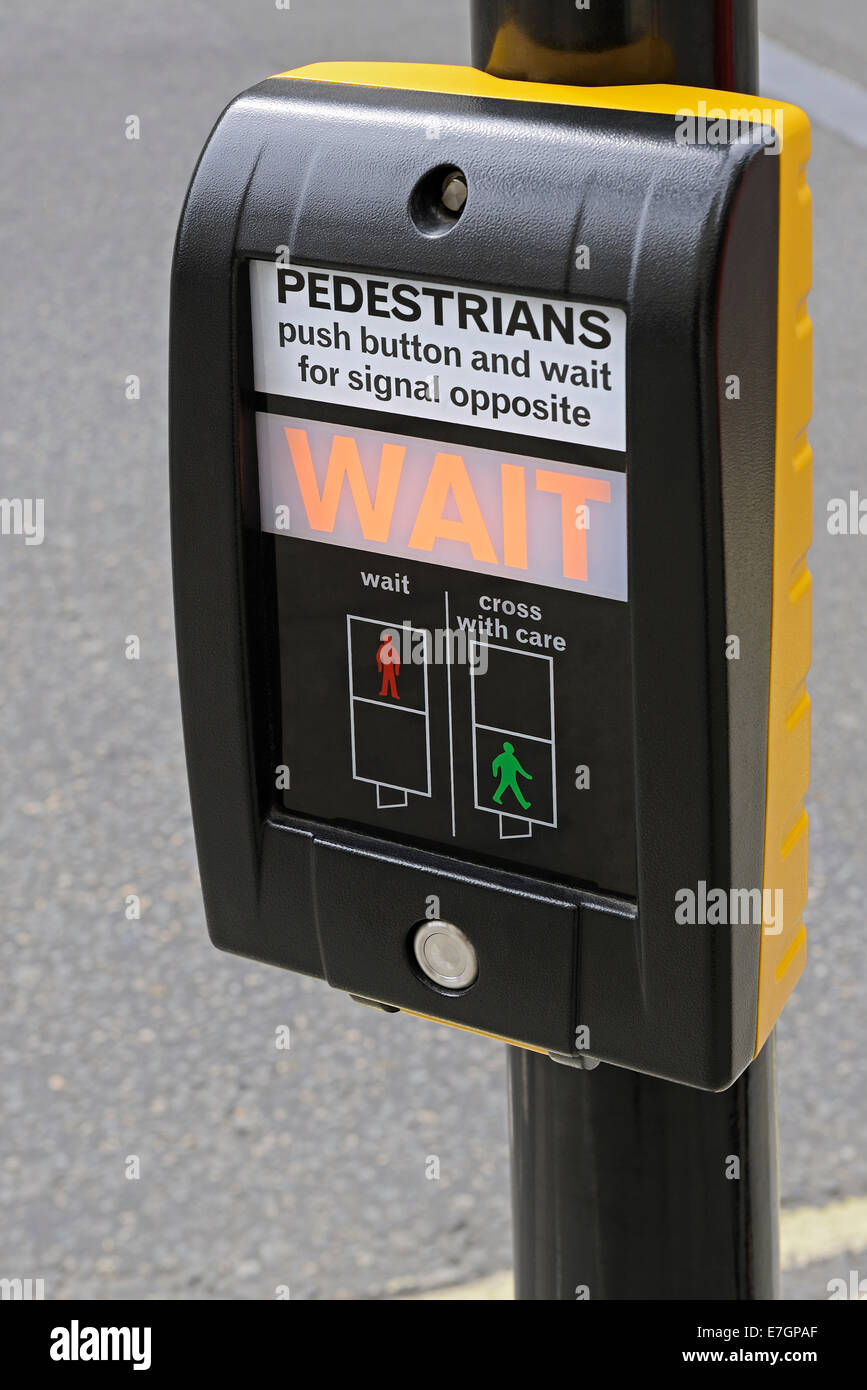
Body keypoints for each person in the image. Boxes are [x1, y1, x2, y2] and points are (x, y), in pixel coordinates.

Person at [492, 740, 532, 810]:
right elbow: (494, 763)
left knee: (506, 788)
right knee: (516, 790)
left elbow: (519, 769)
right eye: (511, 747)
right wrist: (495, 773)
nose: (512, 749)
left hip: (511, 778)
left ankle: (496, 797)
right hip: (508, 778)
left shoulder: (511, 758)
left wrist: (527, 776)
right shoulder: (505, 757)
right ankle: (524, 804)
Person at [377, 631, 400, 699]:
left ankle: (394, 694)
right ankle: (384, 691)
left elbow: (397, 659)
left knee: (392, 679)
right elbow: (378, 656)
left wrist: (397, 670)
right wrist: (380, 666)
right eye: (385, 640)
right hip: (385, 666)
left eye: (387, 640)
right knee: (385, 679)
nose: (385, 641)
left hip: (390, 666)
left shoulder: (392, 648)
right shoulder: (382, 647)